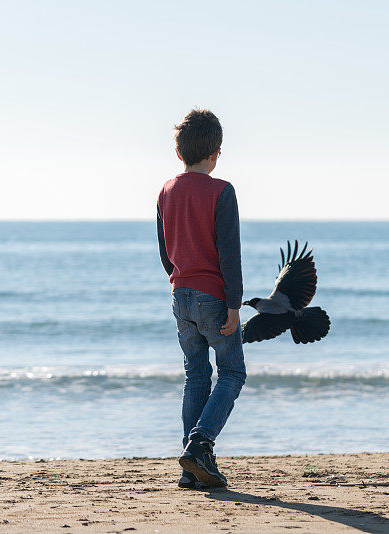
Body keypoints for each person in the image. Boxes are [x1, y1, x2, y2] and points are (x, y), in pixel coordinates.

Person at [156, 108, 245, 488]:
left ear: (179, 153)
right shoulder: (221, 191)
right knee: (232, 372)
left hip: (181, 294)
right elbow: (229, 252)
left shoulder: (166, 190)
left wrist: (179, 282)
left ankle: (190, 470)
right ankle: (199, 445)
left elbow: (164, 250)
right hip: (213, 295)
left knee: (196, 375)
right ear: (216, 152)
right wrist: (234, 304)